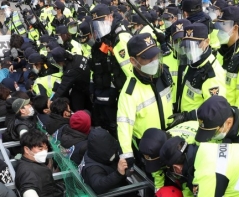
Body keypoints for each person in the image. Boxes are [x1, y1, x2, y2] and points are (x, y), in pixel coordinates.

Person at [117, 33, 173, 162]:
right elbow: (124, 125)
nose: (154, 60)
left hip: (169, 139)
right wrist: (127, 154)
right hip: (149, 151)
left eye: (156, 55)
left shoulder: (161, 76)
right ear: (133, 61)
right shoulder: (129, 92)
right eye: (148, 58)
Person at [88, 4, 133, 137]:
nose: (100, 27)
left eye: (102, 22)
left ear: (110, 17)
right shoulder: (110, 37)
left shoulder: (120, 39)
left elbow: (130, 73)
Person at [80, 128, 138, 197]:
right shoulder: (92, 168)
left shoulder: (93, 152)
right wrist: (118, 173)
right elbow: (98, 184)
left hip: (118, 192)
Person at [177, 23, 226, 112]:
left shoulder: (212, 74)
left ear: (206, 42)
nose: (189, 50)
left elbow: (213, 111)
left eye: (194, 46)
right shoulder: (194, 63)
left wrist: (187, 117)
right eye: (187, 46)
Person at [15, 130, 64, 197]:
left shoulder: (28, 161)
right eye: (40, 149)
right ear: (27, 150)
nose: (44, 152)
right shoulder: (28, 173)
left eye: (46, 148)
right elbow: (29, 189)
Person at [48, 47, 91, 112]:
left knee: (76, 107)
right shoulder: (78, 57)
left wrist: (52, 101)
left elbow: (63, 88)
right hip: (90, 81)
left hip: (84, 88)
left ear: (60, 62)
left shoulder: (70, 71)